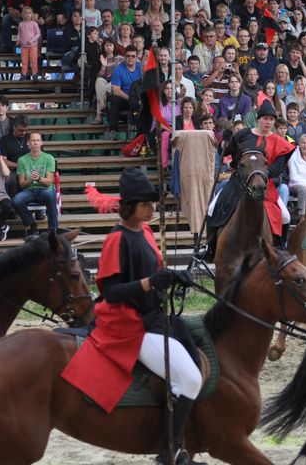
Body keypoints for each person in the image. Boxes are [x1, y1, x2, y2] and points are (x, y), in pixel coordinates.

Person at [61, 168, 205, 465]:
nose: (153, 208)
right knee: (190, 379)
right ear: (130, 207)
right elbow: (111, 292)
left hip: (153, 314)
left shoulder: (147, 232)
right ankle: (171, 451)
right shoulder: (117, 239)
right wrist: (150, 283)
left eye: (153, 204)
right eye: (147, 204)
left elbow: (155, 273)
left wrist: (175, 277)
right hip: (129, 324)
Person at [208, 102, 295, 244]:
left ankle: (280, 249)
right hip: (237, 183)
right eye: (265, 118)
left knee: (285, 216)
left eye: (271, 119)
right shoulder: (243, 134)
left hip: (263, 185)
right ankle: (209, 247)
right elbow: (225, 153)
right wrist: (225, 142)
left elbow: (277, 169)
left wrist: (257, 175)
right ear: (258, 118)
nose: (268, 122)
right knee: (212, 208)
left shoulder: (280, 142)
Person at [13, 132, 58, 239]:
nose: (35, 143)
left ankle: (53, 229)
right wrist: (31, 180)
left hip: (45, 189)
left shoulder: (49, 158)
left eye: (38, 140)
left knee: (51, 196)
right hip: (29, 190)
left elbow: (49, 182)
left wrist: (38, 178)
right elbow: (21, 184)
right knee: (16, 201)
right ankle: (32, 224)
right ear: (28, 143)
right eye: (33, 140)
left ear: (41, 142)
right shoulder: (22, 160)